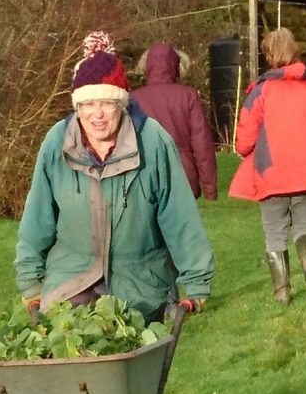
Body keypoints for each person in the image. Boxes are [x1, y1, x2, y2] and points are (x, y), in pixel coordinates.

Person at [15, 49, 215, 323]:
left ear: (121, 104)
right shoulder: (57, 142)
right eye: (87, 104)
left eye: (107, 103)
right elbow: (38, 216)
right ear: (77, 107)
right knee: (69, 353)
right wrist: (30, 279)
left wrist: (197, 280)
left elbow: (179, 215)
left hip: (139, 284)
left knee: (130, 356)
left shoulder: (153, 141)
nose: (97, 114)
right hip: (71, 282)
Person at [227, 27, 306, 305]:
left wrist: (244, 150)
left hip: (272, 174)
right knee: (305, 226)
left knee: (274, 231)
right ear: (295, 51)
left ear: (269, 55)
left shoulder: (261, 91)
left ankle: (282, 292)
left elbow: (245, 140)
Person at [131, 41, 218, 201]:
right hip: (182, 176)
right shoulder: (187, 96)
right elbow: (202, 144)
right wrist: (209, 187)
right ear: (176, 65)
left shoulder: (134, 98)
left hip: (144, 176)